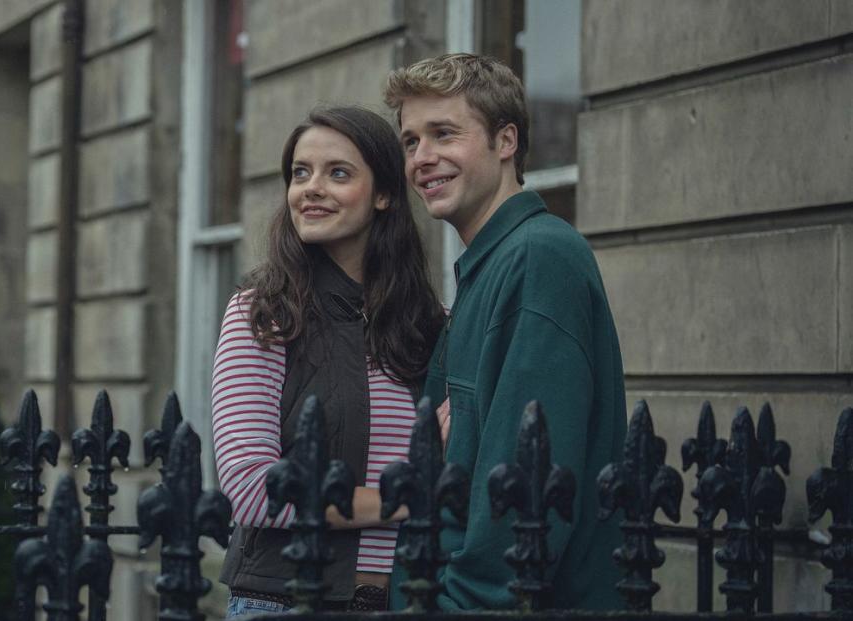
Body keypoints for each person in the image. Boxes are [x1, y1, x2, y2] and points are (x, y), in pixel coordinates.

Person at [383, 53, 627, 610]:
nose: (423, 158)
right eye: (411, 141)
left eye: (444, 133)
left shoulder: (540, 259)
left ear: (506, 141)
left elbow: (524, 494)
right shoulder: (489, 265)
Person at [213, 106, 444, 616]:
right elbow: (253, 490)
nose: (311, 188)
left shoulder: (430, 324)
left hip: (409, 599)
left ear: (384, 194)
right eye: (300, 173)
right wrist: (401, 500)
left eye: (337, 172)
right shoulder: (263, 312)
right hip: (286, 600)